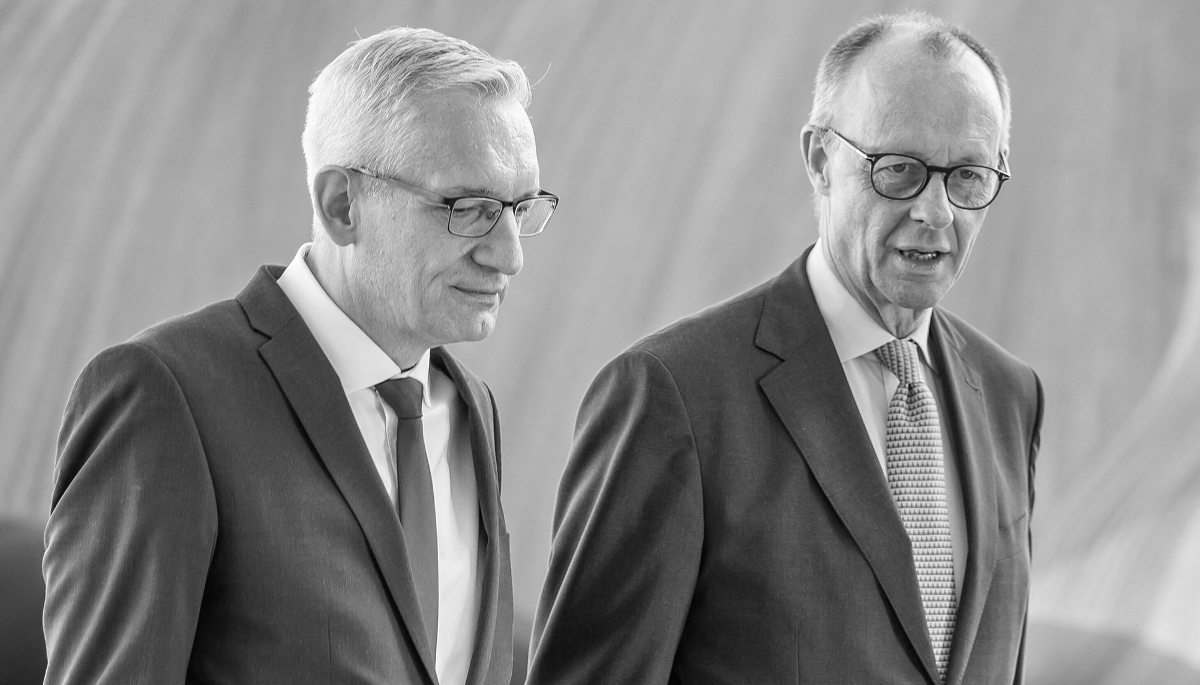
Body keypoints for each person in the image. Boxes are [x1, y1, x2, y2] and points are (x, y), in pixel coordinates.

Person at [527, 11, 1041, 685]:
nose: (936, 211)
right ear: (821, 160)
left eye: (968, 176)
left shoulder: (1010, 395)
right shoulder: (673, 395)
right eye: (900, 170)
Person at [43, 26, 557, 685]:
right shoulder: (167, 395)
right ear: (342, 204)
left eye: (521, 207)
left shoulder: (470, 410)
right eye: (470, 208)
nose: (509, 254)